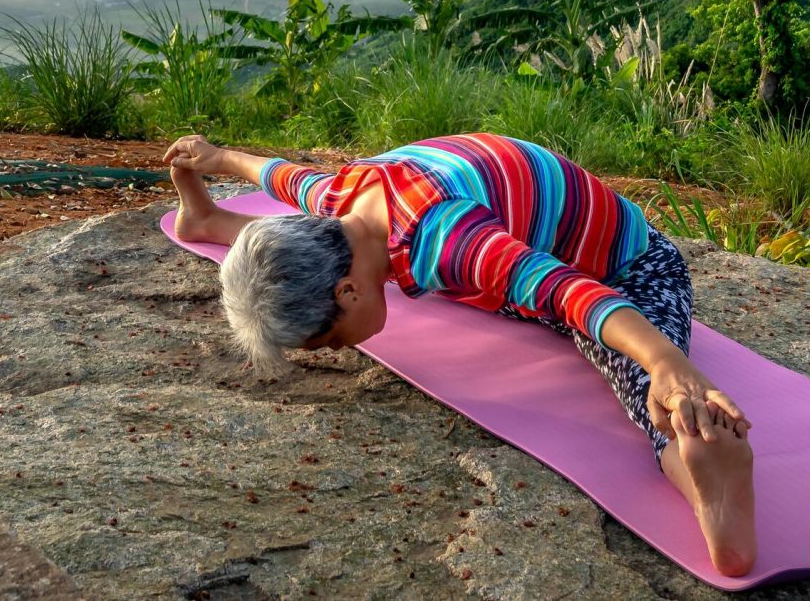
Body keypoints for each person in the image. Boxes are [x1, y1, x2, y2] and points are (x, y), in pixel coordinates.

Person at [166, 131, 758, 576]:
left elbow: (572, 293)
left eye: (333, 341)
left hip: (625, 265)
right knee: (466, 282)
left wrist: (664, 364)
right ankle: (211, 219)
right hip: (513, 220)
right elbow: (276, 173)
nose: (340, 351)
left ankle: (692, 455)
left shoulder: (451, 246)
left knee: (621, 362)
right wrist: (214, 159)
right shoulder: (338, 196)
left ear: (347, 292)